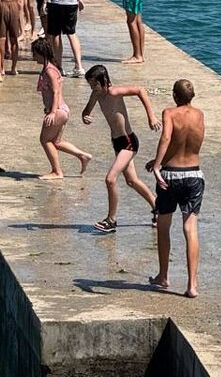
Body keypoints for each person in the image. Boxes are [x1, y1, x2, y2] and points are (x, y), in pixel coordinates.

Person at [81, 64, 159, 232]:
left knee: (110, 179)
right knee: (132, 181)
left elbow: (140, 90)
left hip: (128, 142)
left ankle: (111, 220)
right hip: (117, 142)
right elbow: (86, 111)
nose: (93, 88)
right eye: (90, 85)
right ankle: (157, 207)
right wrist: (86, 117)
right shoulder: (96, 94)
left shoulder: (114, 92)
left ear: (104, 80)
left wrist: (151, 117)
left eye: (95, 84)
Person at [146, 79, 205, 298]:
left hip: (170, 175)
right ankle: (192, 285)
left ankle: (163, 275)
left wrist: (157, 166)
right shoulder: (200, 115)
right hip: (193, 175)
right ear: (192, 96)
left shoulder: (169, 113)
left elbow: (167, 137)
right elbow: (187, 144)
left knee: (164, 226)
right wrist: (157, 161)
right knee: (190, 228)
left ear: (174, 95)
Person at [32, 37, 91, 180]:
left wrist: (52, 112)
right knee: (56, 142)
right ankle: (82, 156)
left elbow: (55, 92)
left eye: (34, 53)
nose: (33, 57)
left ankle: (57, 172)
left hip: (58, 110)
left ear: (41, 54)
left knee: (45, 140)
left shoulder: (50, 71)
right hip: (62, 110)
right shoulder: (52, 67)